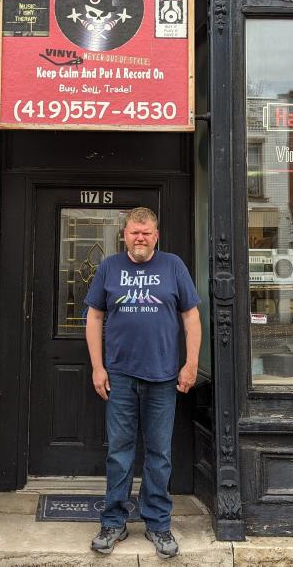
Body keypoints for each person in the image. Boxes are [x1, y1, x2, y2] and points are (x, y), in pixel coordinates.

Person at [84, 207, 201, 559]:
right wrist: (97, 367)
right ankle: (114, 521)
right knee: (119, 453)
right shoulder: (109, 267)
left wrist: (191, 364)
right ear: (125, 235)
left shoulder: (173, 266)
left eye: (146, 232)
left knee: (159, 453)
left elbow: (191, 316)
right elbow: (94, 316)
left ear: (156, 236)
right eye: (135, 232)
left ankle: (158, 524)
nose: (140, 238)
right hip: (119, 375)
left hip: (164, 376)